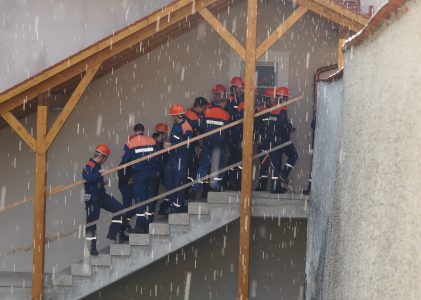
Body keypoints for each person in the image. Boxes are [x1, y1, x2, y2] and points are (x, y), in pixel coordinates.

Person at [82, 144, 128, 256]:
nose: (105, 161)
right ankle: (91, 248)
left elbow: (93, 180)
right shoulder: (90, 165)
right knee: (91, 224)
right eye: (105, 158)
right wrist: (99, 174)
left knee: (120, 209)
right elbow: (87, 179)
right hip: (92, 199)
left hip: (101, 196)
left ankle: (114, 233)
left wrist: (101, 181)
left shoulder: (96, 166)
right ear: (102, 157)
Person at [190, 85, 231, 199]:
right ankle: (215, 187)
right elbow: (229, 132)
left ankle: (195, 189)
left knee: (203, 167)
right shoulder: (226, 115)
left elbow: (201, 128)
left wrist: (202, 143)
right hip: (220, 145)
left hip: (208, 144)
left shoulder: (207, 112)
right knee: (218, 166)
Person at [121, 124, 159, 234]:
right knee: (150, 198)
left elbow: (125, 161)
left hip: (139, 174)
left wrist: (128, 176)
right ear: (143, 130)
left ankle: (140, 225)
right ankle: (148, 224)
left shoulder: (130, 142)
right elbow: (159, 156)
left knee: (140, 200)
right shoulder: (152, 140)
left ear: (134, 131)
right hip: (152, 173)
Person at [266, 86, 299, 193]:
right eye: (286, 98)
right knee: (294, 155)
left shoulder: (273, 109)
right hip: (282, 140)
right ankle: (284, 174)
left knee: (276, 164)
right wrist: (289, 128)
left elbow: (273, 125)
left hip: (273, 141)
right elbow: (283, 124)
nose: (287, 100)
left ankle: (275, 187)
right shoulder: (282, 109)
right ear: (283, 98)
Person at [165, 104, 193, 214]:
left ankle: (178, 205)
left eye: (172, 116)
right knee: (171, 181)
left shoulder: (183, 126)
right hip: (175, 157)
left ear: (176, 116)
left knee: (178, 181)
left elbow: (184, 145)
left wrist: (170, 146)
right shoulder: (179, 125)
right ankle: (174, 204)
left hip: (180, 157)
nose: (171, 118)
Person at [184, 97, 209, 188]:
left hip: (184, 147)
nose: (204, 110)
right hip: (189, 147)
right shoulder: (195, 119)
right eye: (204, 108)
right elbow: (200, 132)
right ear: (199, 106)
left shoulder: (188, 112)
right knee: (193, 169)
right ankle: (190, 191)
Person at [151, 122, 171, 214]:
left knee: (170, 188)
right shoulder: (155, 145)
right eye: (166, 134)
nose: (167, 136)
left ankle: (163, 208)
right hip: (156, 172)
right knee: (152, 197)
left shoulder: (156, 143)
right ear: (163, 134)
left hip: (159, 171)